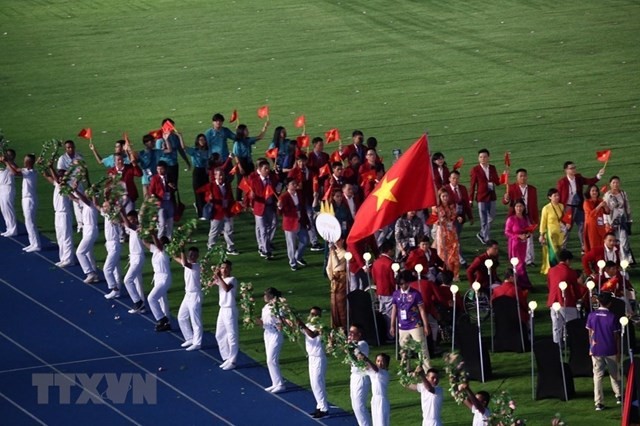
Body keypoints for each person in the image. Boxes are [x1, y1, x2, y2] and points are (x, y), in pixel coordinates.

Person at [556, 161, 604, 251]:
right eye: (571, 168)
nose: (574, 169)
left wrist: (599, 175)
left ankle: (584, 247)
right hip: (568, 208)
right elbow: (558, 196)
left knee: (582, 226)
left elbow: (589, 181)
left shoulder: (578, 177)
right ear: (566, 170)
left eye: (574, 167)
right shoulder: (561, 182)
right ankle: (563, 249)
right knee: (566, 228)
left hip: (579, 206)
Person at [586, 291, 622, 411]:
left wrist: (591, 347)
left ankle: (599, 402)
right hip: (610, 349)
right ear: (610, 303)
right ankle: (619, 396)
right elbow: (616, 337)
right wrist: (618, 351)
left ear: (598, 301)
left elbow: (590, 333)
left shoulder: (591, 315)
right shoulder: (612, 317)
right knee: (615, 374)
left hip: (596, 349)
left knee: (597, 376)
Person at [390, 270, 431, 369]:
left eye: (405, 283)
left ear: (409, 282)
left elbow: (422, 310)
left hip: (415, 325)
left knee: (422, 348)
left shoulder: (416, 294)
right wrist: (392, 325)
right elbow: (394, 309)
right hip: (402, 326)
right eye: (401, 284)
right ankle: (405, 370)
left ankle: (427, 370)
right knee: (404, 350)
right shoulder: (396, 294)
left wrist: (425, 325)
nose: (403, 286)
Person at [3, 153, 41, 252]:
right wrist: (9, 161)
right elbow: (16, 169)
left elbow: (15, 173)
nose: (23, 162)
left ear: (29, 162)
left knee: (30, 222)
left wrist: (6, 161)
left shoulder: (30, 172)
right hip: (26, 199)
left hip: (30, 199)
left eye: (25, 160)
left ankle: (36, 244)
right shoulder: (27, 170)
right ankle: (32, 243)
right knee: (27, 222)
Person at [547, 249, 586, 344]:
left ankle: (557, 345)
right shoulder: (570, 272)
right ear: (568, 260)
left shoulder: (551, 270)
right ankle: (575, 344)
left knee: (556, 326)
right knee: (573, 325)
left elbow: (549, 285)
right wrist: (578, 297)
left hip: (553, 301)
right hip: (566, 302)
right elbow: (576, 288)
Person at [297, 307, 329, 419]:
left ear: (319, 316)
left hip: (319, 358)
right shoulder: (308, 325)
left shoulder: (321, 326)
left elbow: (312, 335)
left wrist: (302, 325)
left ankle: (324, 409)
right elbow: (298, 328)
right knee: (314, 383)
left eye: (315, 314)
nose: (313, 316)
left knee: (317, 383)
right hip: (311, 357)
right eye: (311, 313)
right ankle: (320, 406)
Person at [502, 168, 538, 266]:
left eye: (524, 176)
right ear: (517, 177)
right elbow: (505, 201)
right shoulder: (512, 187)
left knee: (528, 237)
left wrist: (535, 220)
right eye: (520, 176)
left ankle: (529, 259)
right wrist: (506, 198)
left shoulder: (532, 189)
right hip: (516, 216)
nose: (523, 178)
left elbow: (534, 205)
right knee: (515, 238)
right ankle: (515, 258)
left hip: (528, 216)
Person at [42, 164, 74, 266]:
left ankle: (69, 259)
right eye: (59, 175)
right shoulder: (57, 184)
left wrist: (51, 167)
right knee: (60, 236)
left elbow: (56, 179)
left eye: (61, 175)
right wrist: (42, 166)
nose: (59, 177)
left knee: (66, 236)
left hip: (65, 214)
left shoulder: (66, 185)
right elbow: (47, 176)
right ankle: (63, 258)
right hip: (57, 214)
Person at [248, 160, 279, 259]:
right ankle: (266, 250)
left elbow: (277, 187)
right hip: (259, 208)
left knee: (270, 226)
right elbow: (250, 194)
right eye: (265, 169)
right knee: (263, 229)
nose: (267, 170)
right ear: (259, 170)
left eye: (268, 168)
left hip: (270, 207)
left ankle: (263, 245)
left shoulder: (272, 179)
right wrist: (251, 199)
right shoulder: (254, 181)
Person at [277, 178, 310, 271]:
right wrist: (279, 207)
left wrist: (307, 221)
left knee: (305, 240)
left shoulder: (299, 193)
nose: (295, 185)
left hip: (301, 221)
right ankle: (292, 262)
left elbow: (303, 208)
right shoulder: (284, 197)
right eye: (293, 184)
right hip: (290, 224)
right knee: (291, 244)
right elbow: (280, 213)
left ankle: (298, 257)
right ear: (287, 186)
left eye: (295, 183)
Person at [175, 246, 203, 351]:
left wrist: (181, 249)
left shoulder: (196, 266)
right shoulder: (187, 264)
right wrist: (172, 251)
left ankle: (197, 342)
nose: (191, 256)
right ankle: (190, 338)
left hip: (195, 295)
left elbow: (185, 263)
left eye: (194, 255)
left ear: (197, 256)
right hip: (187, 294)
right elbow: (180, 260)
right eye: (190, 254)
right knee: (181, 317)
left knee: (195, 320)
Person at [71, 179, 100, 283]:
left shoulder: (91, 204)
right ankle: (94, 274)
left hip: (91, 229)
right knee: (87, 253)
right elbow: (74, 198)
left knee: (79, 252)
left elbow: (83, 198)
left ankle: (90, 273)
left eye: (87, 192)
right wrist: (67, 189)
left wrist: (76, 190)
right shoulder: (84, 203)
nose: (85, 193)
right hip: (87, 229)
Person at [469, 148, 500, 244]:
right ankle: (486, 238)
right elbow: (473, 184)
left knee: (492, 216)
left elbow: (497, 182)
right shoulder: (475, 169)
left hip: (491, 196)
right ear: (478, 158)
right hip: (481, 197)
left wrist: (503, 177)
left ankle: (482, 233)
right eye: (481, 157)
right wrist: (470, 199)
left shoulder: (492, 168)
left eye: (485, 157)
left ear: (488, 158)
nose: (483, 159)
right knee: (484, 219)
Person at [142, 233, 172, 332]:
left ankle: (161, 318)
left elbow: (158, 245)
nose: (158, 243)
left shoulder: (165, 252)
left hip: (164, 278)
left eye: (161, 242)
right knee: (162, 300)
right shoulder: (156, 250)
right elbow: (145, 242)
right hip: (157, 277)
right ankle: (167, 323)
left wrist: (153, 234)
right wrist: (142, 231)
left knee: (151, 298)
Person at [206, 168, 239, 255]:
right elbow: (206, 197)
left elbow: (231, 197)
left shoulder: (227, 185)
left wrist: (234, 207)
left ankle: (230, 248)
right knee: (214, 231)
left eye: (222, 175)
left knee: (229, 230)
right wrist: (209, 198)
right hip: (217, 212)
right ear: (215, 176)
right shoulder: (211, 185)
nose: (221, 177)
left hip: (227, 211)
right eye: (219, 175)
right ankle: (210, 247)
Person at [233, 122, 269, 200]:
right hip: (242, 162)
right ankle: (238, 201)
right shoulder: (237, 143)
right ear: (242, 131)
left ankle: (250, 199)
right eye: (246, 130)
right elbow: (236, 156)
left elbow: (260, 137)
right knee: (240, 183)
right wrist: (240, 167)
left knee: (252, 180)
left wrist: (265, 127)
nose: (248, 131)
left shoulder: (248, 140)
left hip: (249, 162)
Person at [214, 260, 239, 370]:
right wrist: (215, 276)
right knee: (219, 334)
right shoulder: (221, 279)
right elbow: (208, 284)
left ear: (230, 269)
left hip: (230, 309)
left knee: (231, 335)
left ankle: (233, 360)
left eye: (227, 268)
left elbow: (226, 288)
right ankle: (227, 357)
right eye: (223, 267)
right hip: (222, 309)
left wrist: (218, 278)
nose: (224, 270)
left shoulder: (232, 279)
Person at [444, 170, 473, 266]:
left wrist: (470, 216)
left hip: (461, 218)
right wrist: (455, 216)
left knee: (456, 238)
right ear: (449, 179)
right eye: (453, 178)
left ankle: (454, 256)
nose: (455, 180)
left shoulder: (462, 188)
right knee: (455, 239)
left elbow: (466, 204)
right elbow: (445, 205)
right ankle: (461, 260)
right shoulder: (445, 189)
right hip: (450, 219)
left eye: (457, 178)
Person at [260, 287, 285, 393]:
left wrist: (279, 323)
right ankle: (275, 383)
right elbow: (263, 322)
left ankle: (280, 384)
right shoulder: (265, 307)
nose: (264, 296)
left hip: (275, 334)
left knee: (271, 359)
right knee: (268, 360)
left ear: (272, 296)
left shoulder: (278, 307)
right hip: (267, 333)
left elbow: (281, 322)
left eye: (266, 294)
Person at [603, 176, 633, 264]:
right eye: (613, 183)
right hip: (612, 222)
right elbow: (604, 210)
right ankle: (614, 259)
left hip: (623, 221)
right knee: (614, 241)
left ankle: (625, 260)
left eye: (617, 182)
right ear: (610, 184)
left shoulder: (623, 193)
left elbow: (627, 206)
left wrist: (629, 219)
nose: (615, 184)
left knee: (624, 240)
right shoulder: (607, 195)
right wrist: (606, 223)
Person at [121, 210, 146, 314]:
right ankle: (142, 306)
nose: (129, 222)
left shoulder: (139, 228)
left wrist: (121, 211)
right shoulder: (132, 228)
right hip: (133, 257)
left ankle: (138, 302)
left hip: (138, 257)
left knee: (127, 280)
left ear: (135, 219)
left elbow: (127, 224)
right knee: (136, 281)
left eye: (131, 219)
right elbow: (123, 223)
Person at [57, 140, 85, 232]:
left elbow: (82, 170)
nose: (71, 149)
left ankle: (80, 225)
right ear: (65, 149)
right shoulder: (62, 158)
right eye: (68, 147)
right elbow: (60, 171)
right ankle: (66, 224)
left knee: (78, 204)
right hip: (66, 184)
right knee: (65, 205)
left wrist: (77, 180)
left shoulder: (79, 156)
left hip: (77, 183)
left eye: (72, 147)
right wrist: (65, 180)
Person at [371, 241, 396, 341]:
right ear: (389, 251)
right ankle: (391, 335)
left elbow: (374, 277)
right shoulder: (390, 263)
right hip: (389, 291)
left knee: (384, 313)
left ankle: (387, 334)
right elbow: (392, 279)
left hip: (380, 291)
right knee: (391, 315)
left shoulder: (376, 262)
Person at [434, 189, 461, 281]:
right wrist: (439, 221)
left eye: (446, 196)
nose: (445, 198)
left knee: (454, 250)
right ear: (440, 197)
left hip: (451, 230)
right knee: (442, 252)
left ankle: (455, 274)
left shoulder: (451, 206)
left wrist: (457, 218)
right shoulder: (436, 207)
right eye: (443, 196)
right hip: (442, 231)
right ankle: (444, 273)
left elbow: (454, 216)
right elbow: (433, 220)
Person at [504, 200, 532, 288]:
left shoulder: (525, 219)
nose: (519, 208)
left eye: (520, 206)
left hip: (523, 244)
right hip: (515, 244)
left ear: (524, 208)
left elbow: (527, 229)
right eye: (517, 207)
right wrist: (518, 236)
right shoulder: (511, 219)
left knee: (522, 262)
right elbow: (507, 232)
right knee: (519, 264)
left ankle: (521, 283)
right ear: (514, 208)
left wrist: (527, 234)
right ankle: (523, 284)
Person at [348, 323, 372, 426]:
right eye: (350, 332)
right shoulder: (353, 344)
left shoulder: (363, 344)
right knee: (355, 405)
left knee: (359, 406)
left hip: (361, 377)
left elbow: (357, 355)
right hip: (354, 376)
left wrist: (347, 345)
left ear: (359, 334)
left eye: (353, 332)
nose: (351, 334)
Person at [182, 133, 210, 219]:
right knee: (198, 193)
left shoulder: (208, 150)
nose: (203, 141)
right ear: (197, 141)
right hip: (197, 172)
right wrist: (180, 136)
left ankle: (206, 212)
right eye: (201, 140)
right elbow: (184, 148)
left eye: (204, 139)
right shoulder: (194, 150)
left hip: (205, 173)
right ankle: (201, 214)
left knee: (206, 192)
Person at [539, 188, 566, 275]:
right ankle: (553, 269)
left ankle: (559, 267)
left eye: (558, 195)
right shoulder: (546, 208)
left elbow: (563, 218)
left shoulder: (561, 206)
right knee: (552, 252)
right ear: (549, 197)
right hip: (550, 233)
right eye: (555, 196)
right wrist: (542, 235)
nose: (557, 197)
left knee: (560, 251)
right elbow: (543, 222)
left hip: (560, 233)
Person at [358, 352, 390, 426]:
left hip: (382, 401)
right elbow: (360, 365)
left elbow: (376, 369)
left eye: (382, 361)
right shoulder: (372, 372)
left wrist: (366, 359)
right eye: (378, 361)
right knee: (375, 422)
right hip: (374, 399)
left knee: (382, 422)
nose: (380, 363)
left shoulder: (385, 373)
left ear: (386, 364)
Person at [156, 119, 191, 185]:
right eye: (170, 127)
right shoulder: (160, 140)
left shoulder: (175, 137)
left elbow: (180, 150)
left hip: (174, 164)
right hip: (165, 166)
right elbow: (158, 154)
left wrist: (187, 161)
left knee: (174, 185)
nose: (172, 129)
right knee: (167, 186)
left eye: (172, 126)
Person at [99, 200, 122, 299]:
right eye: (103, 206)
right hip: (109, 244)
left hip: (114, 244)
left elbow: (117, 219)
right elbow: (97, 206)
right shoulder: (106, 215)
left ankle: (114, 289)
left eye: (105, 206)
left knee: (107, 269)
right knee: (115, 269)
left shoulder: (113, 216)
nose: (103, 208)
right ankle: (118, 290)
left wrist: (117, 208)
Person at [147, 161, 176, 238]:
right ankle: (159, 239)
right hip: (160, 203)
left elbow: (175, 188)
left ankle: (169, 239)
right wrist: (154, 198)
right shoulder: (155, 178)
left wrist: (172, 186)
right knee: (162, 223)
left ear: (165, 169)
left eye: (161, 169)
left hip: (169, 201)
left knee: (170, 222)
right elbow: (151, 190)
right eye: (158, 169)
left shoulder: (169, 177)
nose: (159, 171)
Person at [326, 238, 348, 329]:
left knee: (341, 302)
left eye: (338, 241)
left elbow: (336, 265)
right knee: (334, 302)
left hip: (341, 279)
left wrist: (333, 252)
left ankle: (343, 325)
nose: (336, 243)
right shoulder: (332, 252)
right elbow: (328, 267)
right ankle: (335, 325)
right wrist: (331, 278)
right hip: (334, 280)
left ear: (342, 241)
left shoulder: (345, 253)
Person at [583, 184, 609, 254]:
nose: (595, 192)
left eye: (596, 191)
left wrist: (605, 206)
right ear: (589, 192)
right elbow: (591, 214)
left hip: (600, 226)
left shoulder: (600, 200)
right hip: (591, 227)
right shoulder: (586, 202)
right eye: (593, 191)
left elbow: (607, 212)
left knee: (602, 242)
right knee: (593, 244)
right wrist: (600, 205)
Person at [0, 149, 17, 237]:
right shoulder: (4, 165)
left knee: (9, 209)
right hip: (1, 188)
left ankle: (13, 229)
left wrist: (7, 162)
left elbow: (15, 170)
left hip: (8, 188)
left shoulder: (12, 165)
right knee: (4, 209)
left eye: (9, 155)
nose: (7, 156)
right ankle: (9, 228)